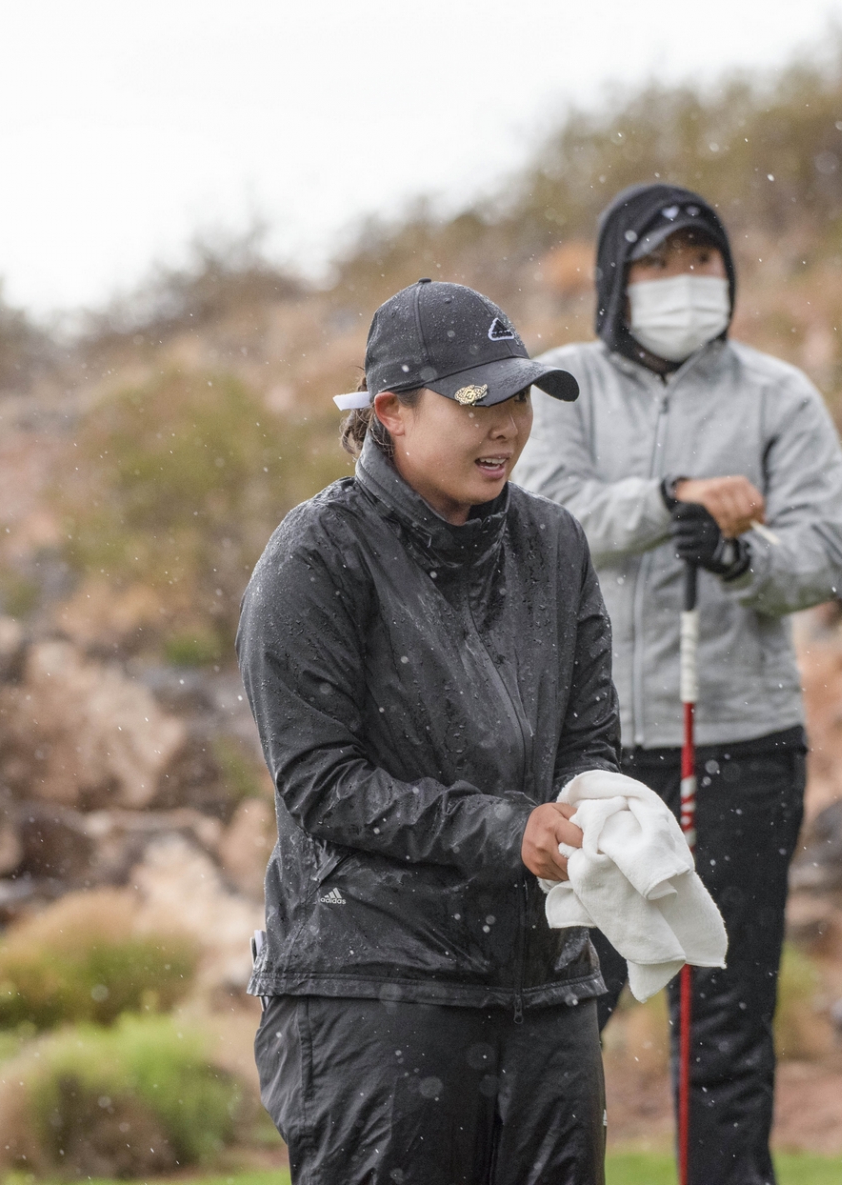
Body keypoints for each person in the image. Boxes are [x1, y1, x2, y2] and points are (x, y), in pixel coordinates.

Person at [239, 278, 622, 1183]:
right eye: (480, 400)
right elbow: (323, 784)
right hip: (371, 988)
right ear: (392, 412)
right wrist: (505, 829)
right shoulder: (315, 555)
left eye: (521, 397)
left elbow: (591, 740)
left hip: (546, 988)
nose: (509, 426)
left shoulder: (554, 544)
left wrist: (599, 812)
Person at [514, 183, 842, 1185]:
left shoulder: (778, 396)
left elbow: (823, 554)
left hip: (743, 743)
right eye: (657, 265)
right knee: (567, 1008)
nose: (681, 284)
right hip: (593, 756)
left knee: (725, 1018)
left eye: (700, 262)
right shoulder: (559, 386)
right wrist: (671, 502)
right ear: (617, 281)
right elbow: (548, 513)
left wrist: (742, 556)